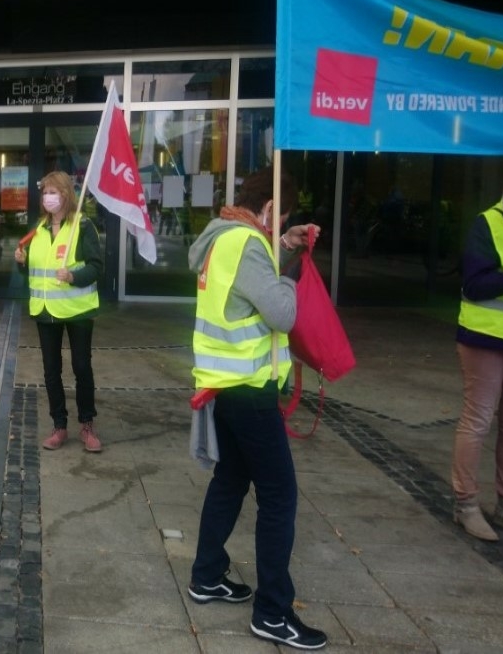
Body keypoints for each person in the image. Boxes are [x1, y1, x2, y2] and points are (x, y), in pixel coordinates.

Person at [185, 170, 326, 650]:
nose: (280, 224)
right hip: (248, 390)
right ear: (269, 209)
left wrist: (282, 246)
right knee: (280, 496)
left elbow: (247, 292)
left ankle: (206, 575)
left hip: (225, 388)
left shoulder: (223, 236)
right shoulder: (247, 244)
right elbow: (281, 312)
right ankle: (272, 612)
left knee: (229, 480)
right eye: (281, 218)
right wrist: (289, 273)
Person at [14, 171, 104, 453]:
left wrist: (73, 277)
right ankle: (59, 425)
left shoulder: (82, 226)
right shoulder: (39, 228)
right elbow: (35, 271)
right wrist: (21, 261)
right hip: (45, 310)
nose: (47, 197)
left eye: (52, 191)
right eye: (45, 192)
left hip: (77, 311)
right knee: (51, 370)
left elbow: (96, 266)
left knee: (81, 367)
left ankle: (87, 425)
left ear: (65, 194)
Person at [451, 162, 503, 541]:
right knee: (479, 420)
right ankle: (466, 503)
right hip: (484, 338)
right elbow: (475, 285)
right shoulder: (487, 224)